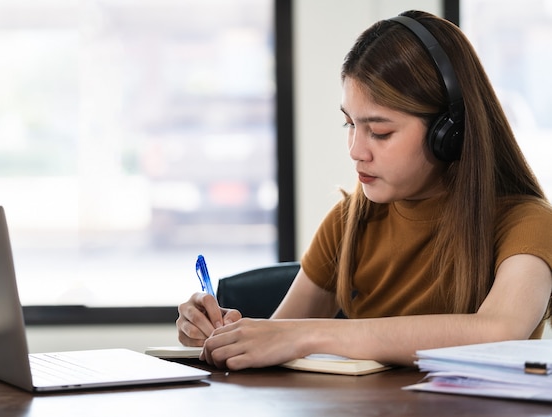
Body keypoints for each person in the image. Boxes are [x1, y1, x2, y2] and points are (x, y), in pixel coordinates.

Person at [176, 10, 552, 370]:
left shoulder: (527, 223)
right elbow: (280, 334)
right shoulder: (349, 221)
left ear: (449, 134)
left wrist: (310, 336)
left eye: (380, 131)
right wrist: (224, 336)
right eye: (349, 125)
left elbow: (500, 331)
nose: (356, 151)